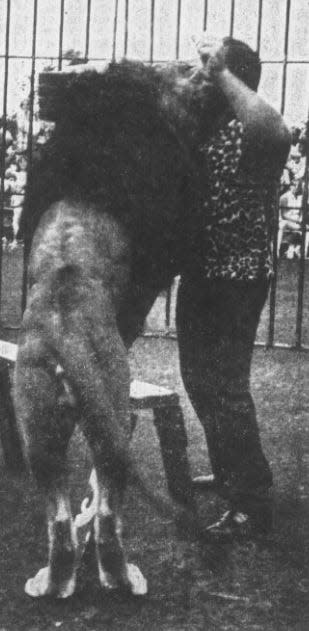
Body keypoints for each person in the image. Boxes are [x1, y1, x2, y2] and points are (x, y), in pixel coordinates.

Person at [176, 36, 291, 541]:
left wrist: (223, 73)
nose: (204, 75)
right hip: (204, 273)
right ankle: (229, 473)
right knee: (200, 381)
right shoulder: (211, 126)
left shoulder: (254, 130)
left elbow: (281, 131)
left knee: (224, 386)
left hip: (238, 277)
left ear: (234, 76)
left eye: (213, 69)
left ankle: (251, 502)